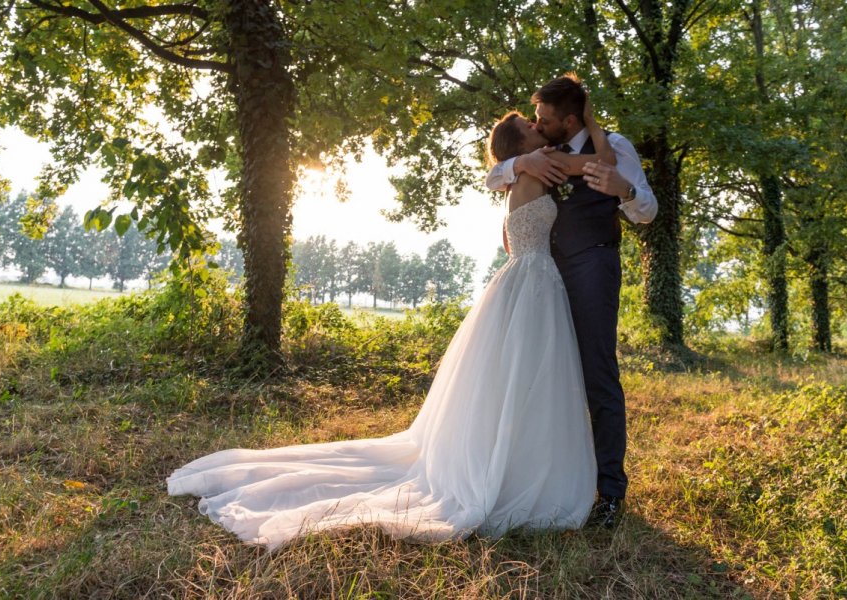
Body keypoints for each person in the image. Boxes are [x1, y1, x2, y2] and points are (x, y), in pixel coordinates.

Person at [166, 109, 604, 552]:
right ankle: (511, 470)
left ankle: (515, 460)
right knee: (522, 374)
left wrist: (520, 163)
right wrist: (589, 124)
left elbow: (507, 181)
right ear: (519, 144)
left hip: (530, 280)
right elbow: (590, 166)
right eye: (531, 126)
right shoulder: (533, 167)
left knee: (520, 377)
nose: (538, 126)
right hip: (531, 281)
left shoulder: (520, 173)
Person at [486, 73, 658, 527]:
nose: (537, 125)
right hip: (544, 271)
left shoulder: (614, 146)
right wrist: (518, 166)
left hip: (592, 266)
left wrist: (626, 191)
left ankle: (611, 493)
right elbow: (493, 174)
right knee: (544, 375)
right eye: (534, 119)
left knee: (597, 373)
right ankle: (544, 477)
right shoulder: (539, 152)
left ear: (568, 120)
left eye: (543, 119)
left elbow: (647, 211)